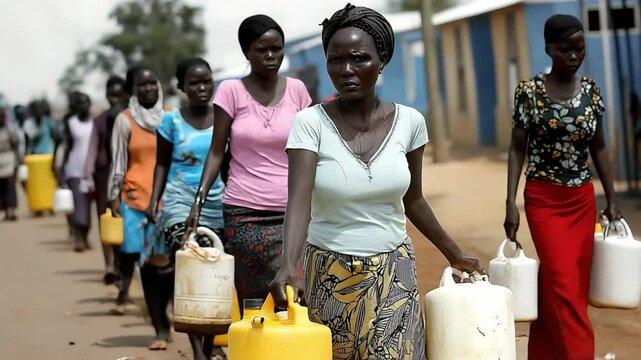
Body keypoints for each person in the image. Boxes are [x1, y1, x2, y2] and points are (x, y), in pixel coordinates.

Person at [268, 5, 483, 359]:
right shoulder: (310, 124)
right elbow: (299, 201)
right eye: (335, 60)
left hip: (394, 272)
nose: (346, 70)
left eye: (358, 58)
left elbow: (414, 199)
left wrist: (454, 253)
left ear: (381, 60)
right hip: (331, 275)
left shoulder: (410, 122)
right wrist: (289, 265)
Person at [504, 14, 622, 360]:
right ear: (548, 49)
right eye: (565, 49)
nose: (574, 56)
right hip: (544, 200)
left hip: (582, 200)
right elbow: (516, 148)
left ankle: (544, 354)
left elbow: (598, 147)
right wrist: (509, 202)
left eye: (580, 48)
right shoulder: (530, 93)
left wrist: (612, 198)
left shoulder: (591, 92)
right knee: (562, 285)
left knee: (568, 289)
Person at [184, 14, 312, 309]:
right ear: (246, 53)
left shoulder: (298, 91)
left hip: (294, 212)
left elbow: (313, 150)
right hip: (245, 213)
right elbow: (217, 151)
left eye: (277, 49)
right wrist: (198, 202)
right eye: (261, 50)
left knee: (299, 298)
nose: (271, 56)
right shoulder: (231, 91)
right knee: (255, 302)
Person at [146, 58, 226, 360]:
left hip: (217, 201)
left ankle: (209, 343)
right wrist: (155, 200)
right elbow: (162, 163)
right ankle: (197, 350)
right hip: (179, 201)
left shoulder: (224, 118)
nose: (202, 88)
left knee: (214, 272)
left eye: (206, 81)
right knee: (190, 268)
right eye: (194, 83)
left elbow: (227, 165)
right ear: (181, 87)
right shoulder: (170, 122)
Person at [107, 66, 172, 350]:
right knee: (145, 267)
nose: (147, 89)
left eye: (152, 83)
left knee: (169, 266)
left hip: (168, 202)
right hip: (135, 201)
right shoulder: (124, 120)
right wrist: (113, 197)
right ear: (133, 90)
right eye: (141, 85)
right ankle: (159, 326)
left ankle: (166, 310)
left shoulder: (171, 117)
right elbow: (118, 162)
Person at [83, 75, 129, 283]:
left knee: (126, 222)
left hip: (130, 174)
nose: (115, 100)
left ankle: (124, 268)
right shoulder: (100, 121)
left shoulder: (131, 118)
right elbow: (93, 148)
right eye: (111, 95)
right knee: (106, 219)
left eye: (119, 95)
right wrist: (87, 175)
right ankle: (109, 265)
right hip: (104, 175)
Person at [59, 92, 94, 252]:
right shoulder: (71, 122)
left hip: (92, 170)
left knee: (88, 207)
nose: (83, 106)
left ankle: (85, 237)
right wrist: (61, 167)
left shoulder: (96, 122)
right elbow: (67, 146)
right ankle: (78, 239)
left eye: (86, 102)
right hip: (75, 169)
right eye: (80, 103)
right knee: (79, 206)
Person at [0, 103, 21, 221]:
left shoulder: (10, 130)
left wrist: (18, 161)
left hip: (9, 161)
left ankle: (11, 211)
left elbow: (15, 146)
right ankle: (4, 211)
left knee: (10, 187)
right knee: (1, 188)